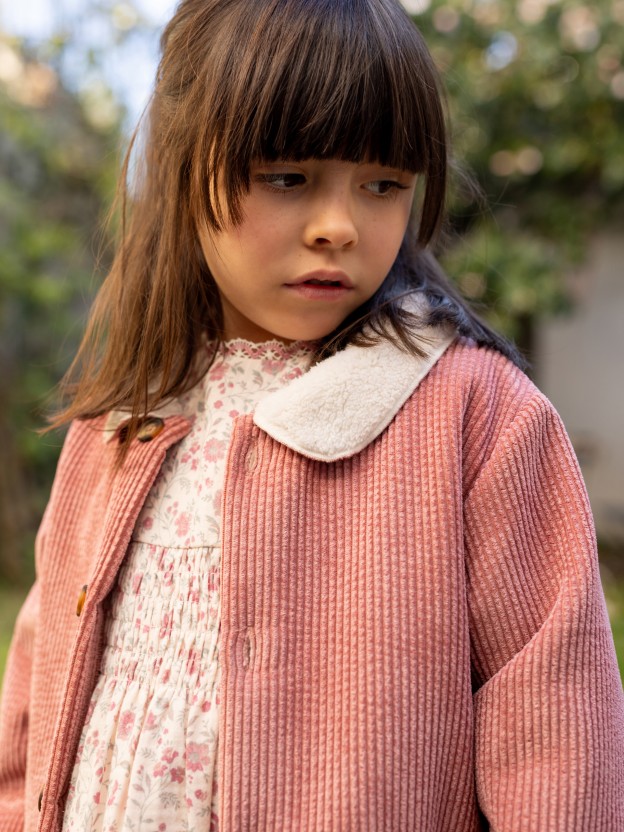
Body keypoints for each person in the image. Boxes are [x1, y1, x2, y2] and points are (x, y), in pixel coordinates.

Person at [1, 0, 623, 829]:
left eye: (384, 185)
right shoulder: (119, 425)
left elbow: (559, 739)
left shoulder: (481, 420)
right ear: (188, 170)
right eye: (288, 177)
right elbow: (33, 714)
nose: (339, 226)